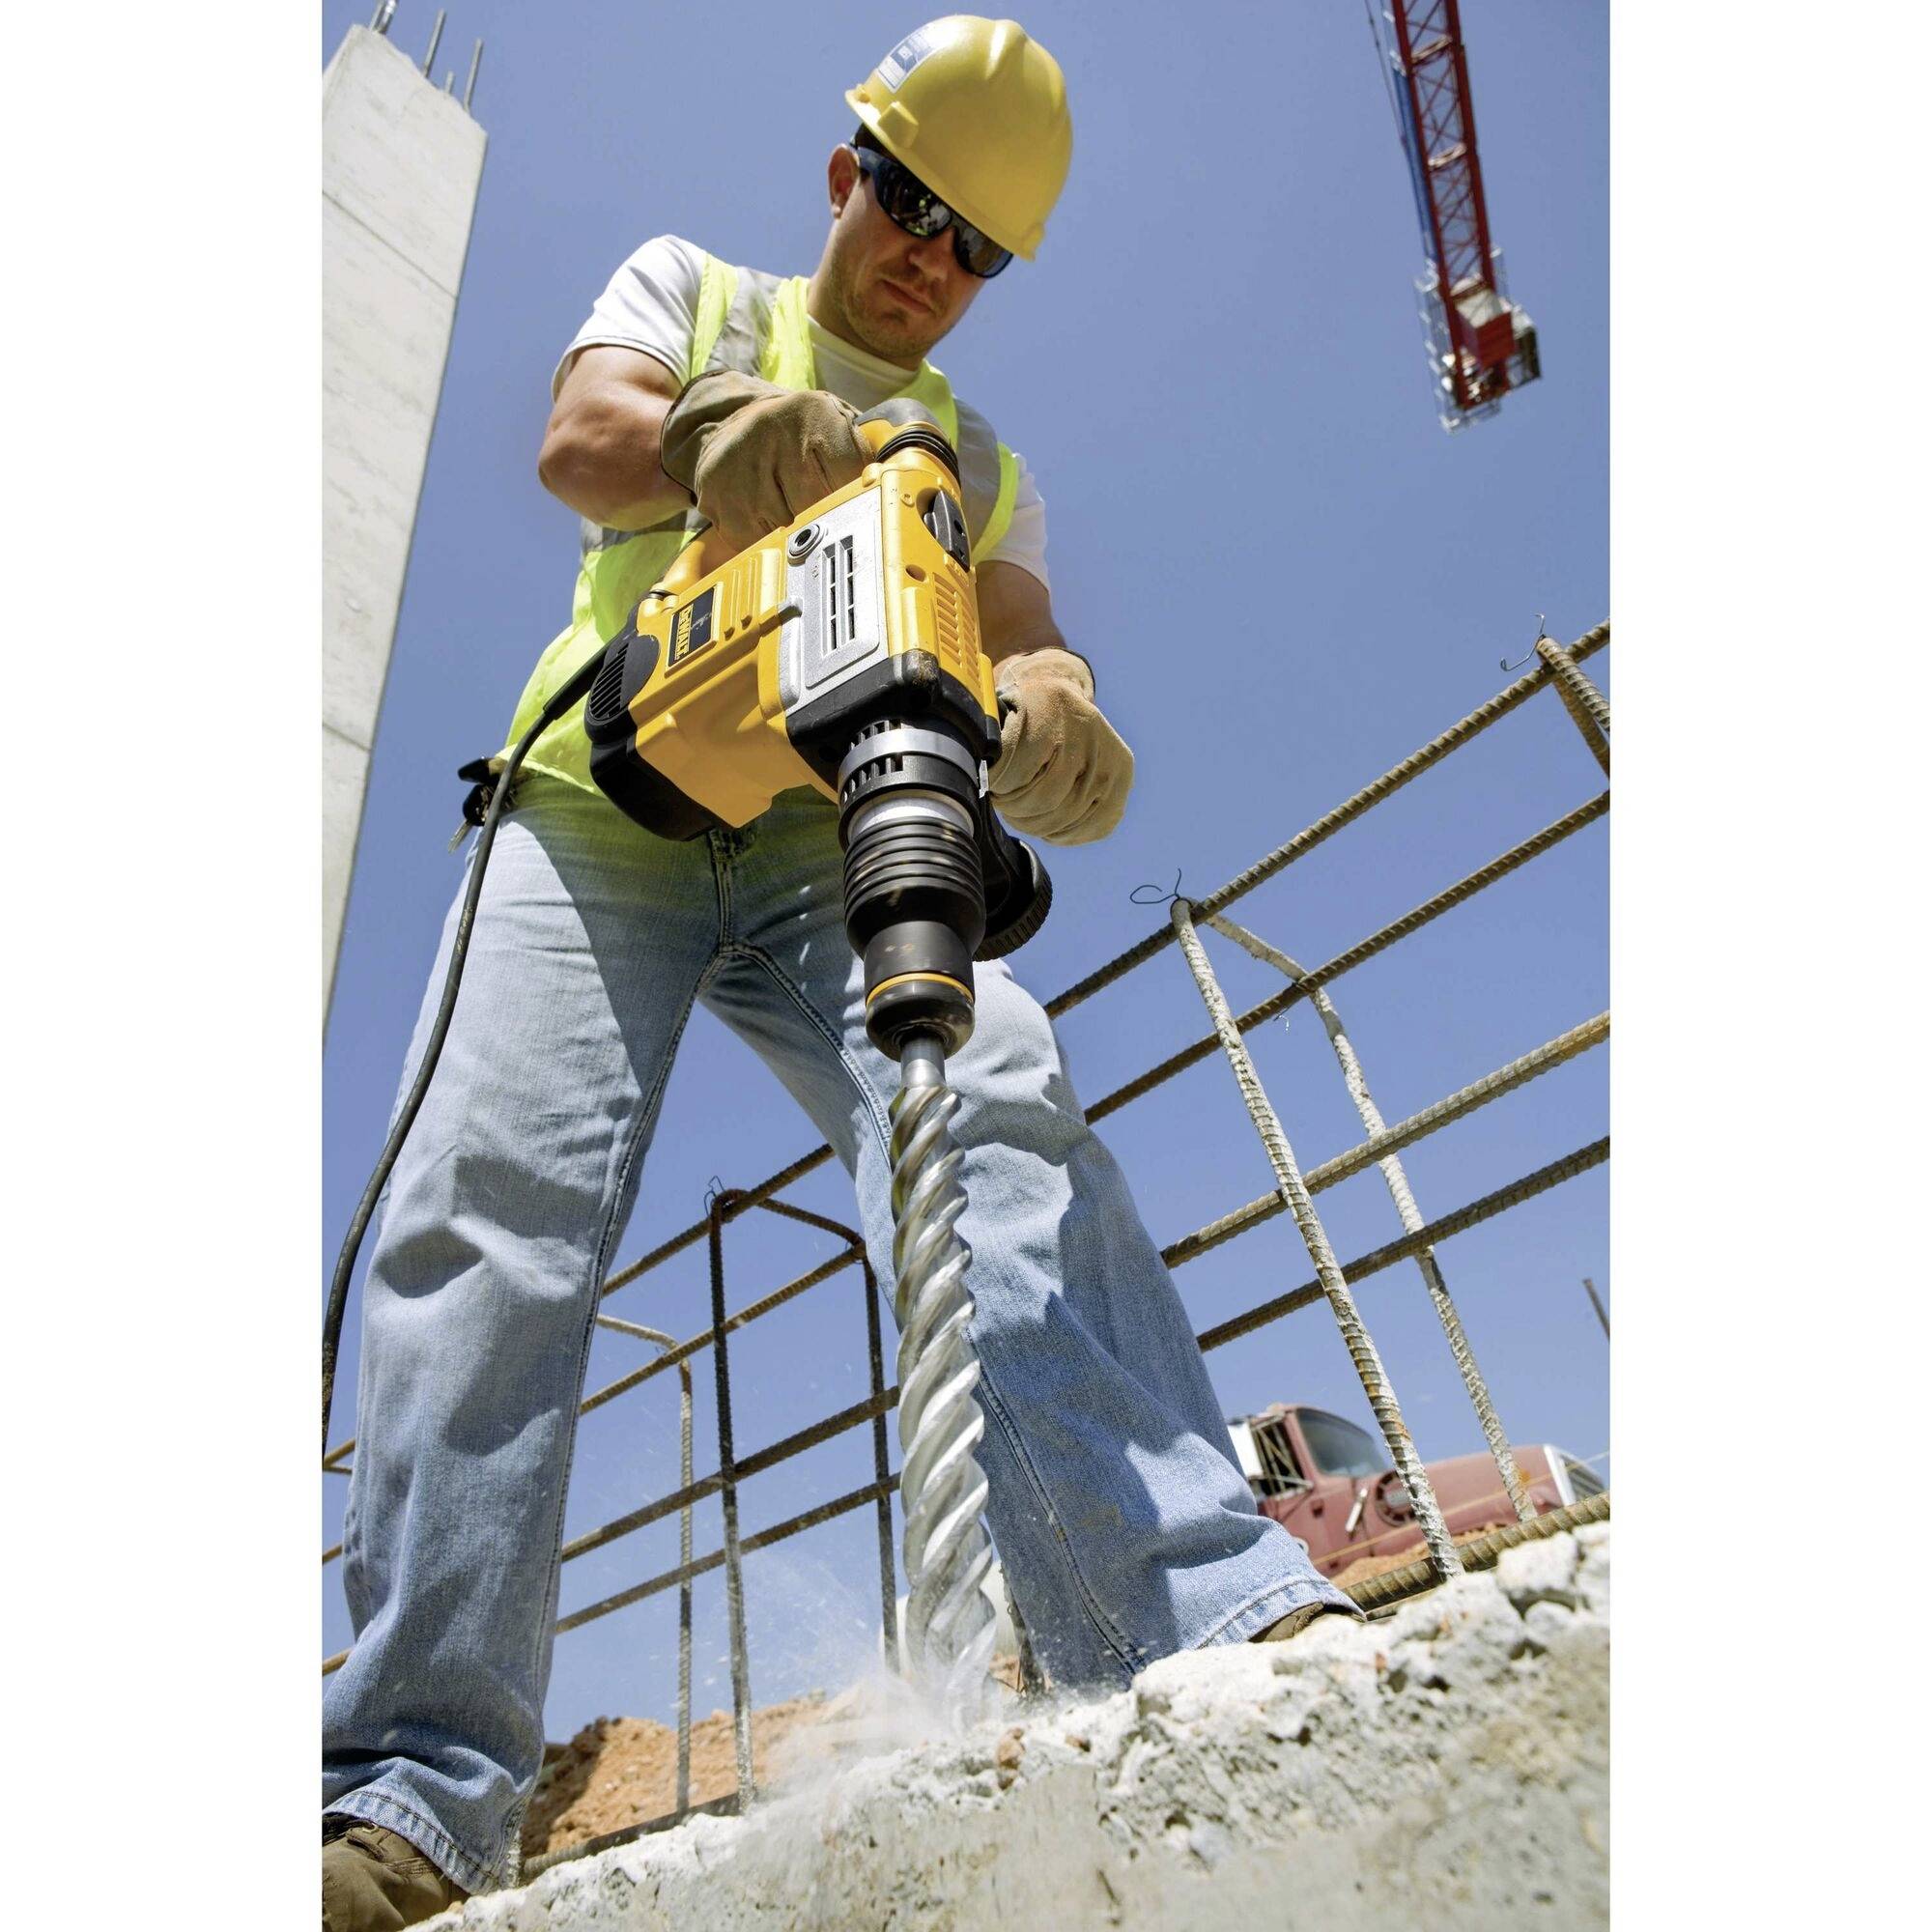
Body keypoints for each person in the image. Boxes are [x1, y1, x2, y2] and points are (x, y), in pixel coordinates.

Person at [322, 17, 1357, 1927]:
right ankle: (413, 1789)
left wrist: (1051, 702)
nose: (927, 260)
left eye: (974, 246)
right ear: (841, 171)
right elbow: (577, 434)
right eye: (907, 202)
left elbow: (1035, 635)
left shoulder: (978, 457)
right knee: (490, 1218)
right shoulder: (694, 288)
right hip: (602, 792)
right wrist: (707, 435)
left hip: (828, 835)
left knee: (1004, 1123)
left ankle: (1199, 1620)